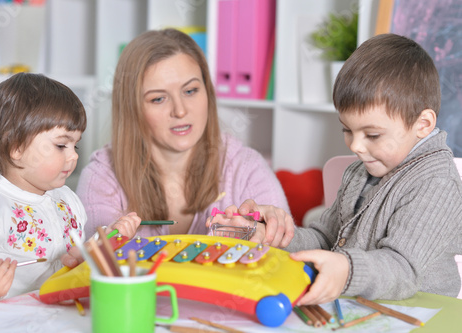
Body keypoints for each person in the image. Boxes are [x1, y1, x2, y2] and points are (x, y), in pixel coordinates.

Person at [264, 34, 462, 304]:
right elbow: (326, 238)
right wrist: (275, 237)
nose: (356, 146)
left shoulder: (436, 183)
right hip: (362, 305)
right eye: (347, 130)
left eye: (373, 135)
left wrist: (346, 270)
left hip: (423, 312)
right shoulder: (361, 172)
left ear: (423, 124)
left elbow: (402, 269)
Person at [76, 28, 294, 247]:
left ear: (207, 92)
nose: (180, 111)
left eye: (190, 91)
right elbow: (98, 268)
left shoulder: (246, 168)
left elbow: (283, 260)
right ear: (131, 108)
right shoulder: (101, 176)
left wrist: (271, 233)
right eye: (158, 98)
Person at [0, 73, 141, 307]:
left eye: (74, 145)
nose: (74, 155)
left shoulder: (68, 200)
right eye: (61, 145)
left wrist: (107, 239)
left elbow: (76, 258)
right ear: (16, 146)